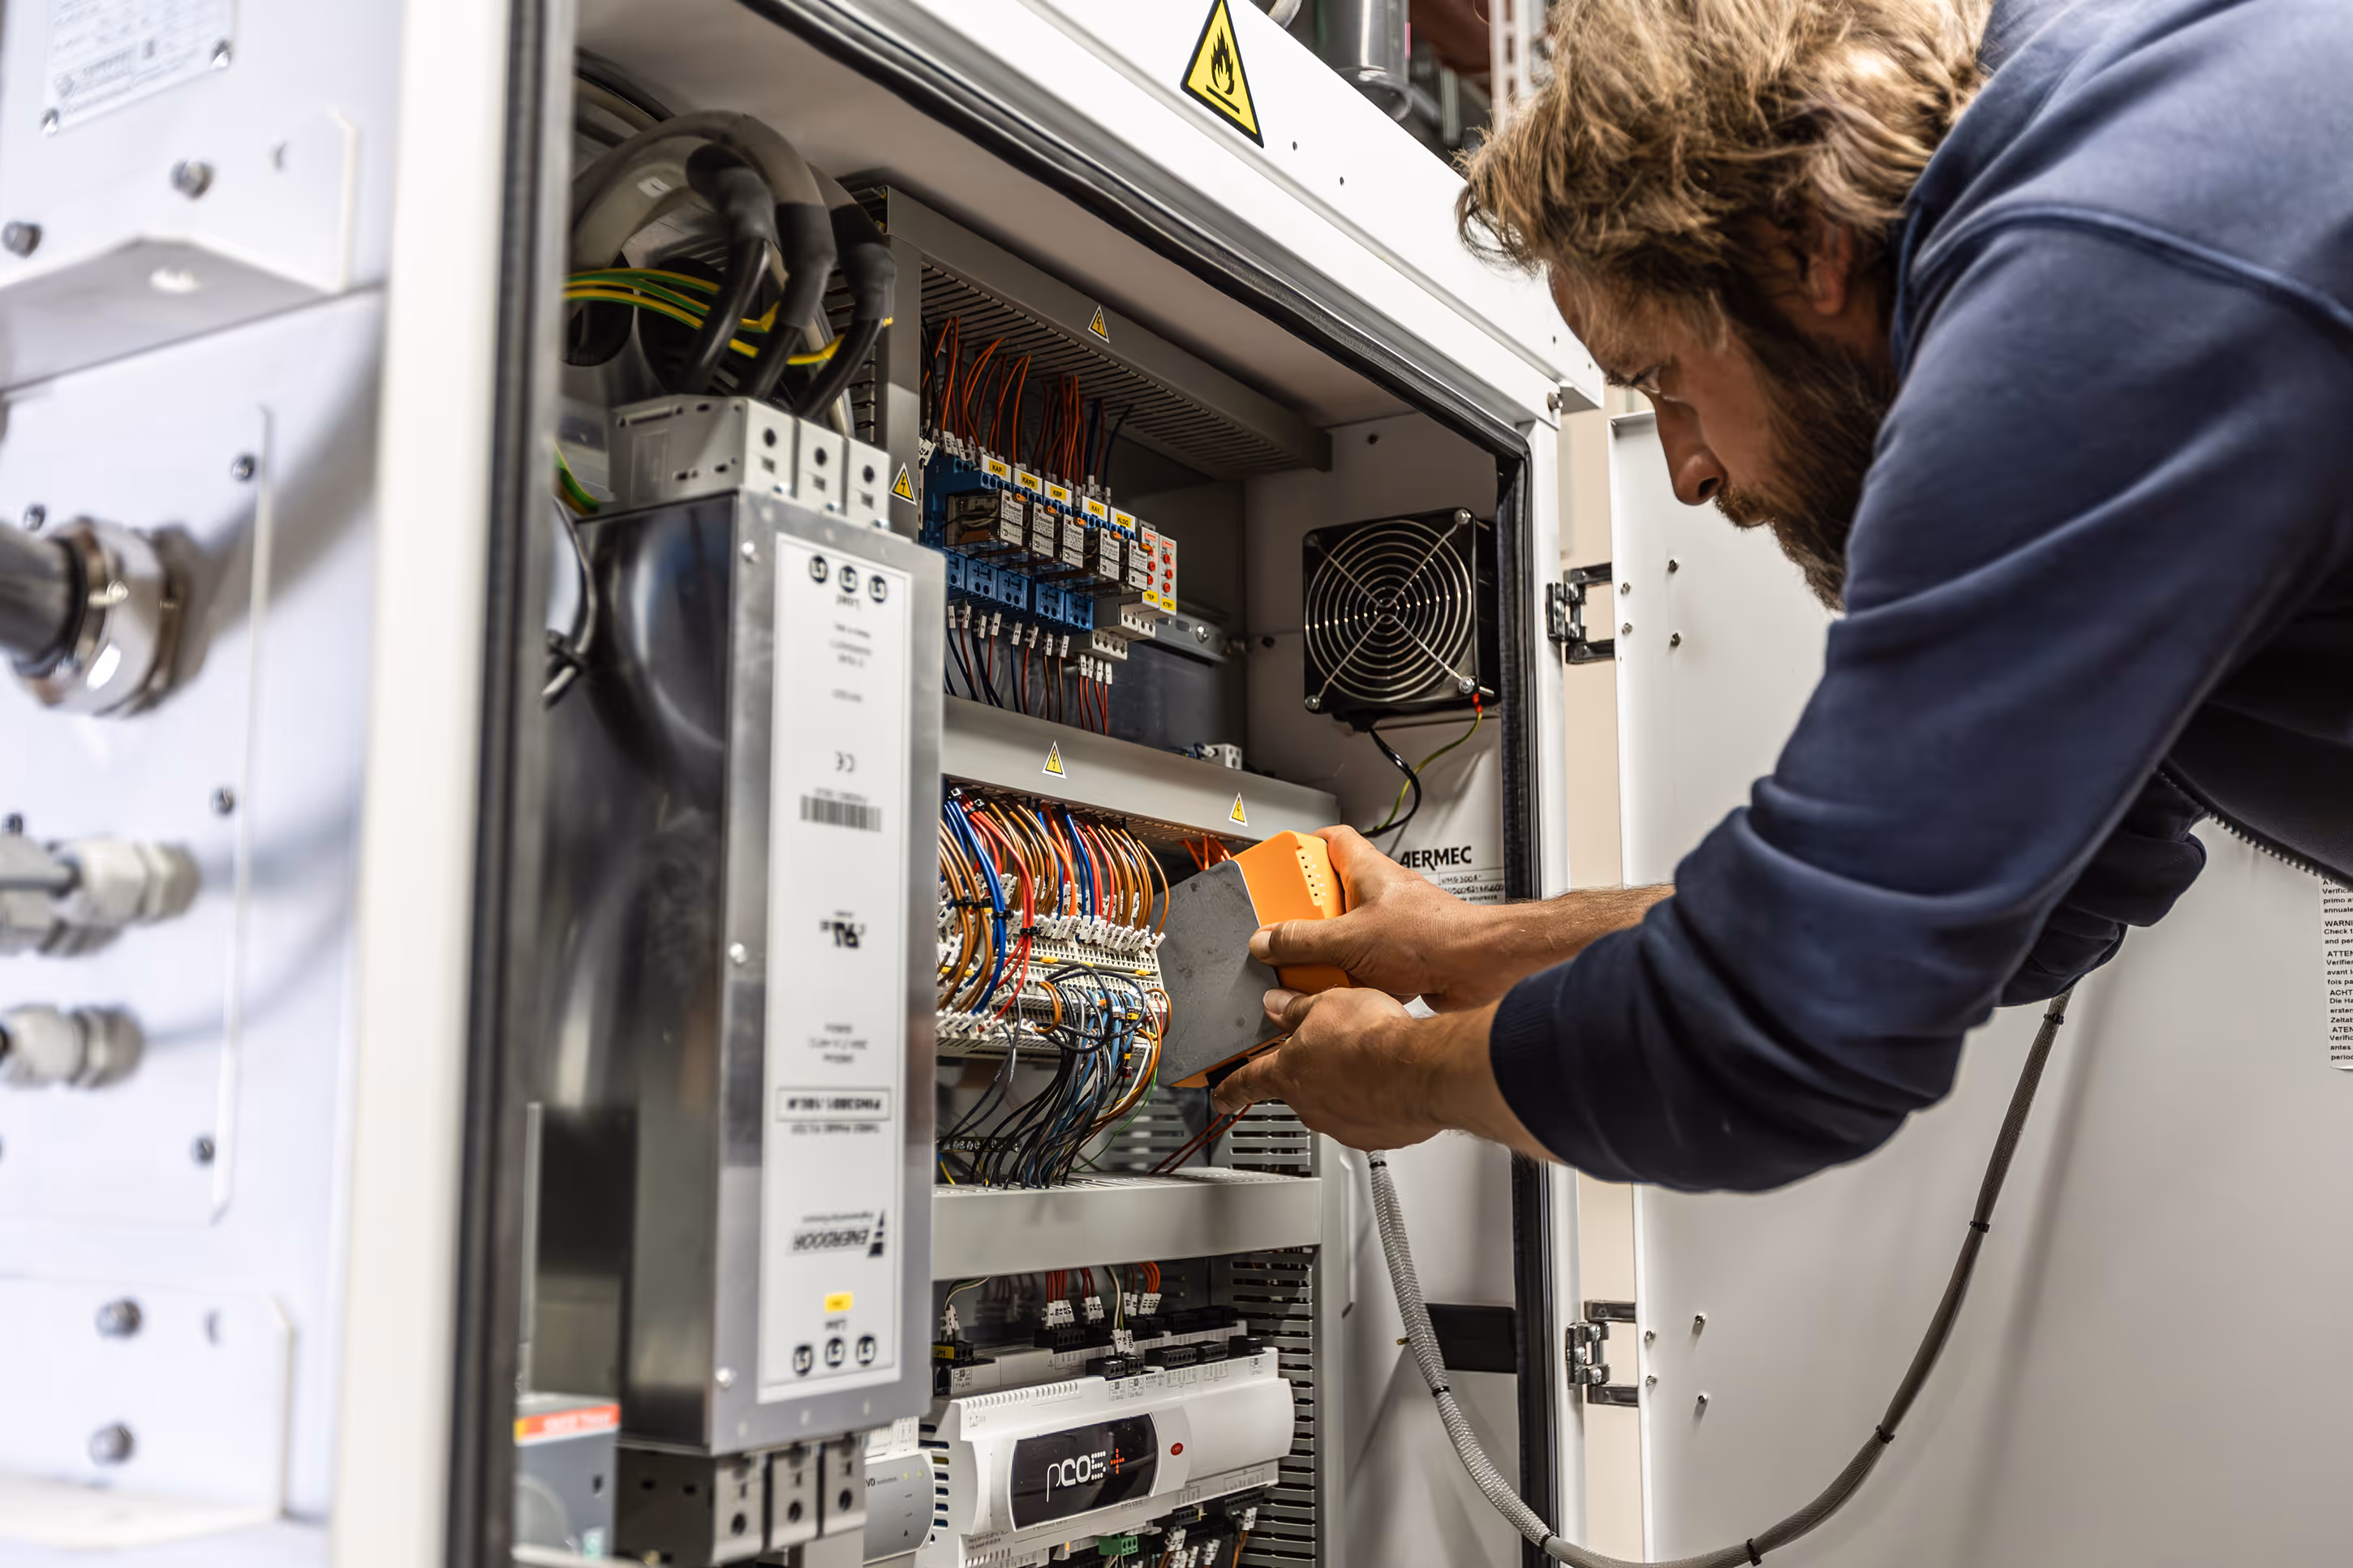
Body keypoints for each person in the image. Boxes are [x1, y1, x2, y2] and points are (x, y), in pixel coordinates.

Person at [1212, 0, 2353, 1189]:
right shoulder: (2108, 159)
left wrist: (1400, 1071)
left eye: (1667, 380)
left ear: (1805, 238)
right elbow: (2028, 904)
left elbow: (1771, 1033)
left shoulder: (2089, 276)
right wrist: (1469, 946)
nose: (1692, 471)